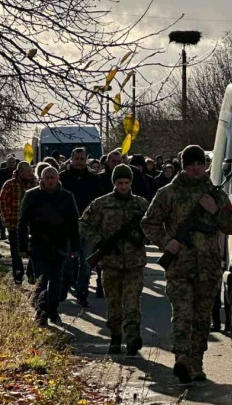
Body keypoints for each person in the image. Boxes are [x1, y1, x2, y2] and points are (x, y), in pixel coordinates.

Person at [141, 145, 232, 383]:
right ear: (183, 166)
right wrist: (166, 242)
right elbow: (149, 222)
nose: (195, 168)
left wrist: (215, 211)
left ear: (205, 165)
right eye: (190, 164)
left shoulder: (216, 195)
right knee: (183, 315)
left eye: (199, 164)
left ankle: (196, 363)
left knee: (202, 318)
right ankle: (182, 360)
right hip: (180, 267)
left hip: (208, 268)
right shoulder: (168, 193)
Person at [80, 164, 149, 355]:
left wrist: (143, 238)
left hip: (134, 262)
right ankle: (116, 336)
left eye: (126, 182)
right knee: (114, 302)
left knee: (132, 301)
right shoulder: (101, 204)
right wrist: (100, 241)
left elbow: (153, 225)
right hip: (110, 263)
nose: (123, 186)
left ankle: (132, 336)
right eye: (120, 183)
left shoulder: (141, 204)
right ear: (114, 183)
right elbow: (84, 224)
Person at [18, 167, 79, 326]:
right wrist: (22, 246)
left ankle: (53, 311)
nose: (50, 181)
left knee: (57, 280)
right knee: (41, 281)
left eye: (52, 178)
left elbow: (74, 223)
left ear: (58, 178)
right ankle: (41, 312)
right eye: (47, 178)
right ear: (41, 179)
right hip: (39, 245)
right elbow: (22, 222)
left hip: (60, 244)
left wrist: (74, 246)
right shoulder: (32, 195)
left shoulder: (67, 196)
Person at [59, 147, 104, 306]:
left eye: (82, 159)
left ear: (86, 160)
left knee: (86, 262)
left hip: (89, 226)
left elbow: (99, 202)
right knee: (67, 261)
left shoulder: (94, 178)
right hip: (68, 226)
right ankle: (63, 288)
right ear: (71, 159)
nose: (79, 162)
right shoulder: (62, 178)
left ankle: (82, 292)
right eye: (76, 159)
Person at [0, 161, 37, 284]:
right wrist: (6, 219)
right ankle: (18, 275)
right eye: (28, 171)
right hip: (14, 222)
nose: (31, 173)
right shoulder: (10, 184)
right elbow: (3, 203)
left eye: (31, 171)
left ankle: (31, 273)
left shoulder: (35, 183)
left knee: (33, 249)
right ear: (20, 172)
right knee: (16, 251)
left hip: (33, 224)